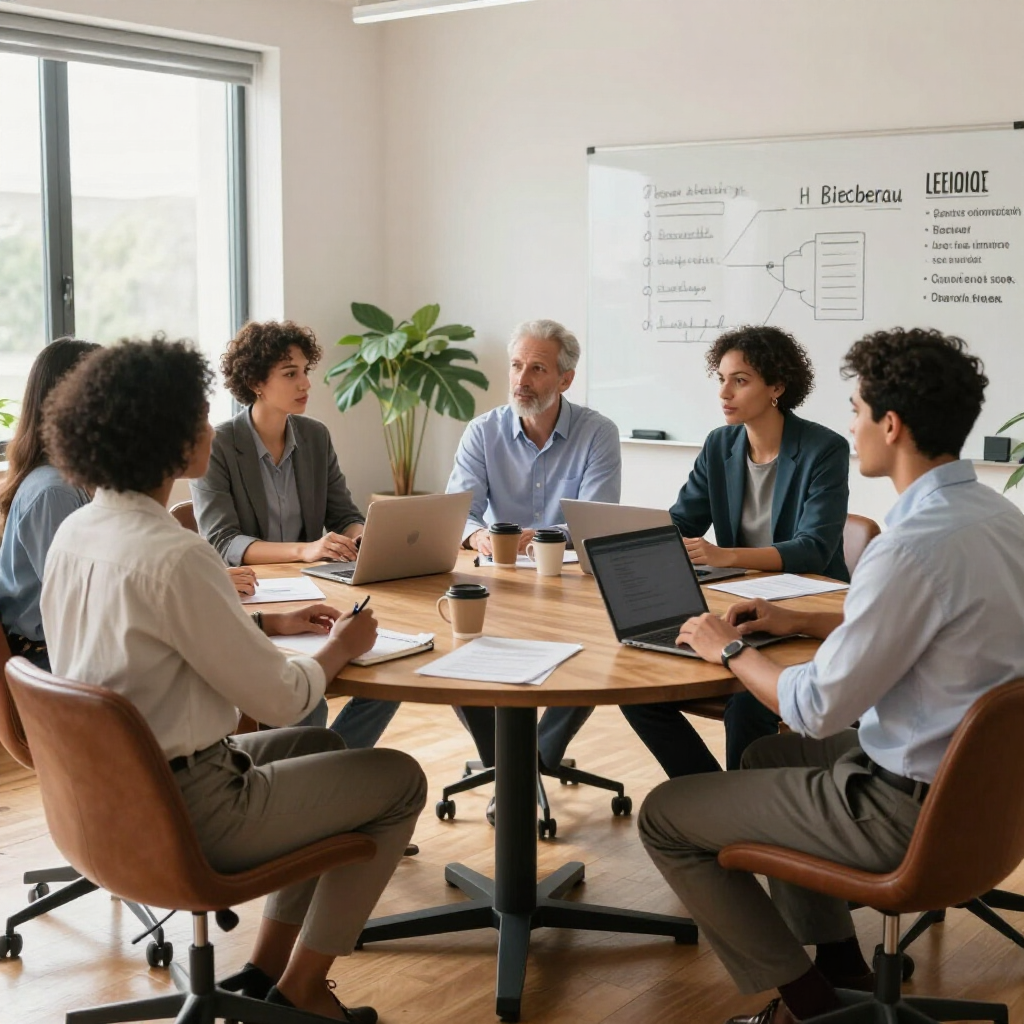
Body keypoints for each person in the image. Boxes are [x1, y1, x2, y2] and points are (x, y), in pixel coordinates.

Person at [638, 328, 1024, 1024]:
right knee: (766, 755)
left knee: (667, 816)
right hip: (987, 799)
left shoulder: (907, 547)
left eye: (855, 408)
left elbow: (813, 706)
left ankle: (809, 1008)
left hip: (904, 812)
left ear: (891, 424)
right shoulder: (1001, 520)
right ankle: (840, 960)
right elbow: (935, 629)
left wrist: (727, 648)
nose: (849, 424)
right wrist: (804, 625)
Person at [40, 337, 426, 1021]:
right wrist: (340, 646)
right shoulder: (175, 555)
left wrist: (267, 627)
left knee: (324, 749)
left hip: (107, 800)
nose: (207, 426)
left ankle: (264, 971)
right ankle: (306, 986)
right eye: (197, 413)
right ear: (166, 435)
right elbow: (282, 699)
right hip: (192, 809)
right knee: (399, 779)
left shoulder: (78, 534)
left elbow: (151, 643)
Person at [621, 325, 850, 778]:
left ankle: (745, 811)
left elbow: (813, 550)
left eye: (740, 380)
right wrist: (626, 540)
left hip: (806, 606)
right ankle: (705, 794)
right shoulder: (719, 444)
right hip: (734, 605)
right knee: (637, 687)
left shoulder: (824, 449)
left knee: (747, 705)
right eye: (721, 378)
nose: (724, 392)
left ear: (777, 388)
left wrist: (725, 555)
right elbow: (683, 521)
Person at [191, 320, 398, 748]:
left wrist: (364, 539)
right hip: (257, 603)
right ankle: (322, 772)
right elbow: (223, 542)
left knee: (390, 668)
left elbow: (344, 514)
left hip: (316, 594)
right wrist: (306, 549)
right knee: (311, 704)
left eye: (306, 370)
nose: (305, 383)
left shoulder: (315, 436)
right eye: (291, 374)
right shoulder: (220, 445)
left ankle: (328, 767)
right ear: (255, 382)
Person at [445, 318, 621, 778]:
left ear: (565, 379)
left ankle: (533, 759)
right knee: (454, 648)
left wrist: (542, 537)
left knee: (604, 650)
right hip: (500, 582)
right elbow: (458, 513)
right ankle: (505, 766)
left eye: (537, 369)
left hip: (573, 585)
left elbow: (595, 518)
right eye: (517, 365)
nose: (522, 380)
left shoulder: (597, 432)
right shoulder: (482, 432)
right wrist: (477, 535)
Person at [0, 339, 99, 669]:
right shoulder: (54, 492)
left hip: (59, 649)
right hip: (48, 660)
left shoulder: (65, 482)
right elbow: (84, 602)